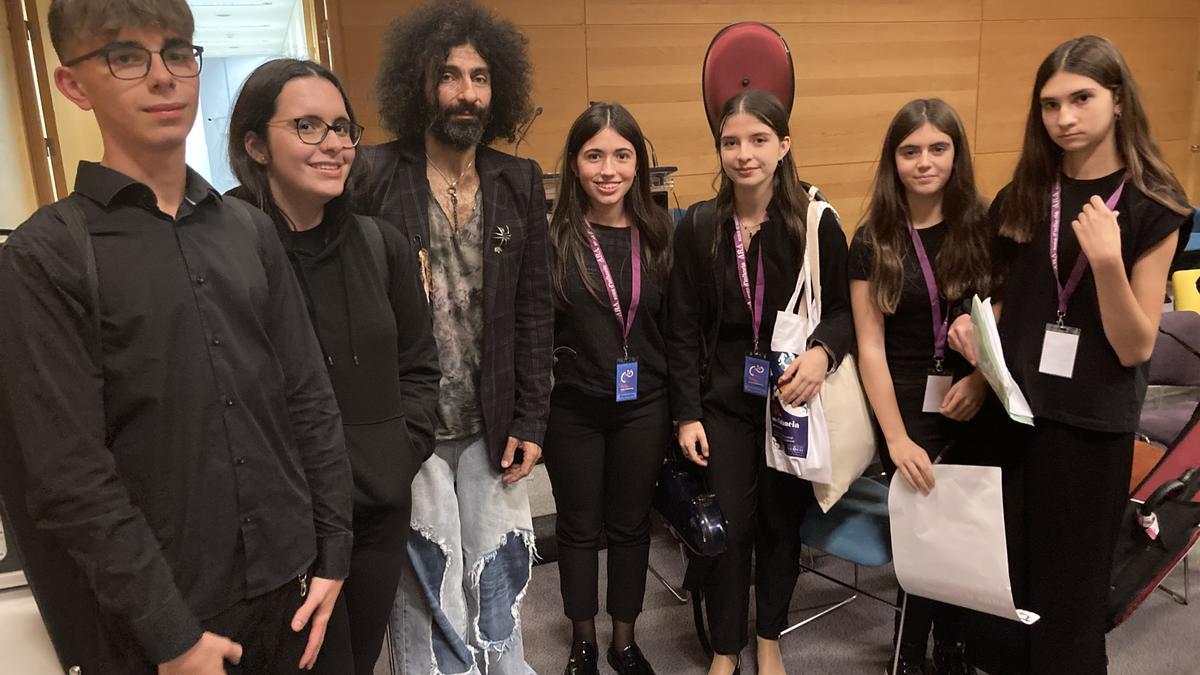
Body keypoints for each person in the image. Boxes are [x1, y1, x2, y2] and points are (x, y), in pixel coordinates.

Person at [0, 1, 353, 673]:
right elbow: (69, 474)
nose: (164, 77)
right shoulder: (47, 256)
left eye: (178, 52)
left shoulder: (248, 231)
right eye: (125, 56)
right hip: (174, 615)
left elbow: (309, 396)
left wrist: (334, 550)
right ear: (73, 84)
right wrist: (170, 634)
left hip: (298, 586)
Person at [947, 35, 1193, 674]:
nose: (1065, 118)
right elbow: (1003, 302)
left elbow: (1135, 343)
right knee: (1006, 584)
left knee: (1070, 601)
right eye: (1051, 104)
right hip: (1016, 415)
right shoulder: (1025, 195)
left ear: (1116, 99)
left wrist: (1107, 262)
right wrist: (977, 345)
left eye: (1081, 99)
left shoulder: (1154, 204)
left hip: (1088, 430)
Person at [226, 58, 441, 675]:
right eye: (308, 126)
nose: (334, 145)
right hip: (284, 532)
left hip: (374, 513)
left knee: (360, 660)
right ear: (255, 144)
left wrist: (398, 453)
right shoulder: (226, 251)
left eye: (343, 127)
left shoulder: (382, 245)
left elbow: (420, 368)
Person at [355, 1, 551, 672]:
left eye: (481, 77)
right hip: (408, 431)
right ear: (421, 84)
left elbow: (534, 312)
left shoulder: (517, 180)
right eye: (450, 75)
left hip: (492, 424)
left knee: (494, 583)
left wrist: (531, 416)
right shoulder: (373, 175)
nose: (468, 92)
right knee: (426, 597)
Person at [667, 89, 853, 675]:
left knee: (779, 523)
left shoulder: (814, 224)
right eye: (731, 142)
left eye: (758, 140)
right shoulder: (699, 225)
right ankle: (726, 645)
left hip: (791, 399)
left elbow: (847, 312)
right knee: (729, 526)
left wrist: (824, 353)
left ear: (784, 145)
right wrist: (687, 413)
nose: (744, 154)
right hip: (723, 401)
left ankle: (769, 633)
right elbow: (681, 327)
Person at [848, 98, 990, 675]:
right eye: (910, 151)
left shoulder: (982, 227)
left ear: (956, 155)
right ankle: (907, 657)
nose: (924, 162)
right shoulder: (873, 239)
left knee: (965, 532)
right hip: (904, 407)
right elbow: (870, 349)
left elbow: (1005, 315)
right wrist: (898, 438)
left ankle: (955, 651)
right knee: (922, 534)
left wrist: (980, 379)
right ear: (893, 159)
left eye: (938, 148)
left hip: (977, 400)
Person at [544, 102, 673, 675]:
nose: (608, 169)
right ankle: (583, 642)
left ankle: (624, 640)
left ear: (639, 164)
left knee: (630, 525)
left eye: (622, 155)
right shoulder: (552, 239)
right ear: (574, 164)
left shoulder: (661, 235)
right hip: (572, 407)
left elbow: (677, 328)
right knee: (577, 528)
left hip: (643, 406)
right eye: (594, 155)